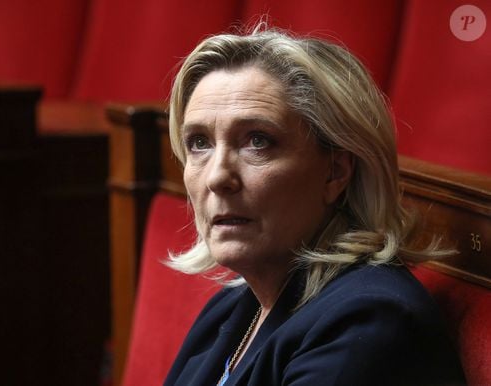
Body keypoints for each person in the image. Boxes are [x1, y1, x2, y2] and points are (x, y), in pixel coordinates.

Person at [163, 27, 465, 386]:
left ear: (335, 172)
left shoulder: (368, 322)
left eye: (258, 141)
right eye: (199, 143)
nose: (217, 177)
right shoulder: (231, 307)